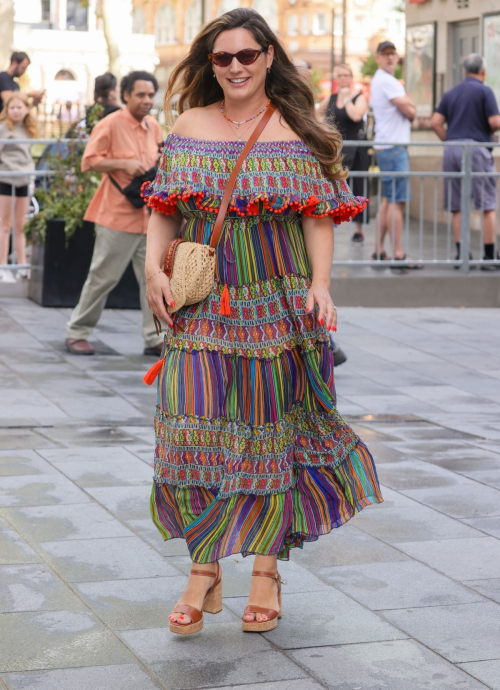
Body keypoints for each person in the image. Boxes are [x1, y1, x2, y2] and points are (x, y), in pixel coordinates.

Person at [143, 7, 383, 635]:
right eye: (223, 58)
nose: (236, 67)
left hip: (276, 307)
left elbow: (317, 217)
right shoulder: (189, 123)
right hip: (200, 307)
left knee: (265, 438)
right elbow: (163, 208)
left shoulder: (296, 130)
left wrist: (322, 286)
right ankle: (204, 567)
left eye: (247, 55)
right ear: (210, 64)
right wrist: (152, 271)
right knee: (189, 433)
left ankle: (265, 573)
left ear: (269, 57)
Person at [65, 71, 164, 356]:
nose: (147, 100)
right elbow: (89, 161)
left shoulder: (153, 126)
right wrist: (124, 163)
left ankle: (155, 337)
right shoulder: (110, 124)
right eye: (141, 95)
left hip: (149, 216)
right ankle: (77, 331)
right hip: (116, 216)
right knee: (103, 277)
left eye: (150, 95)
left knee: (153, 279)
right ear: (126, 95)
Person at [430, 53, 500, 271]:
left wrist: (450, 140)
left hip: (452, 149)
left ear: (464, 71)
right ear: (483, 72)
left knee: (456, 205)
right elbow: (495, 121)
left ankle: (462, 254)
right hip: (476, 150)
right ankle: (489, 257)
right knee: (487, 204)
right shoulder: (485, 91)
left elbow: (435, 122)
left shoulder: (451, 93)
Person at [370, 41, 420, 268]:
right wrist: (410, 102)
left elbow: (407, 107)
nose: (390, 57)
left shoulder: (383, 80)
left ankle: (379, 250)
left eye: (393, 53)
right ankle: (398, 253)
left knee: (389, 200)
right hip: (393, 148)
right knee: (397, 202)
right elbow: (410, 111)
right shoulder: (388, 81)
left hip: (386, 146)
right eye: (385, 54)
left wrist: (407, 100)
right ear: (378, 57)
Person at [319, 63, 370, 243]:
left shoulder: (359, 97)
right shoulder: (331, 98)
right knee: (332, 186)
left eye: (346, 75)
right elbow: (315, 114)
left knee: (359, 188)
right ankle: (330, 221)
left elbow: (356, 116)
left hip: (357, 150)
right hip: (337, 151)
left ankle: (358, 229)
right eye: (340, 75)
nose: (343, 79)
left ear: (351, 78)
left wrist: (347, 99)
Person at [0, 93, 37, 282]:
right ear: (7, 110)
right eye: (12, 108)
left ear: (26, 110)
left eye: (19, 107)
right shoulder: (3, 129)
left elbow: (29, 155)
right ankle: (3, 266)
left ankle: (22, 265)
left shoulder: (29, 130)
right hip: (6, 179)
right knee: (5, 224)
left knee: (20, 224)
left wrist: (30, 179)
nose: (15, 111)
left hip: (23, 179)